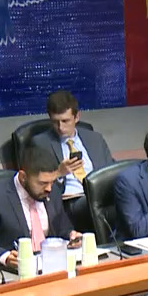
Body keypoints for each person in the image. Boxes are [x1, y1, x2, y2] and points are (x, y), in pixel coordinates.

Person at [0, 144, 80, 270]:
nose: (49, 188)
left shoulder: (53, 191)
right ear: (23, 177)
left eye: (51, 182)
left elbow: (63, 228)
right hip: (16, 270)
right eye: (43, 183)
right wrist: (6, 257)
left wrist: (72, 235)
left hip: (52, 265)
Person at [29, 90, 115, 227]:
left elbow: (111, 170)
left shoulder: (95, 139)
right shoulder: (41, 143)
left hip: (101, 195)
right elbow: (35, 183)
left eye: (65, 121)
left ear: (77, 117)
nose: (60, 127)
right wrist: (59, 173)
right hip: (71, 201)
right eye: (55, 122)